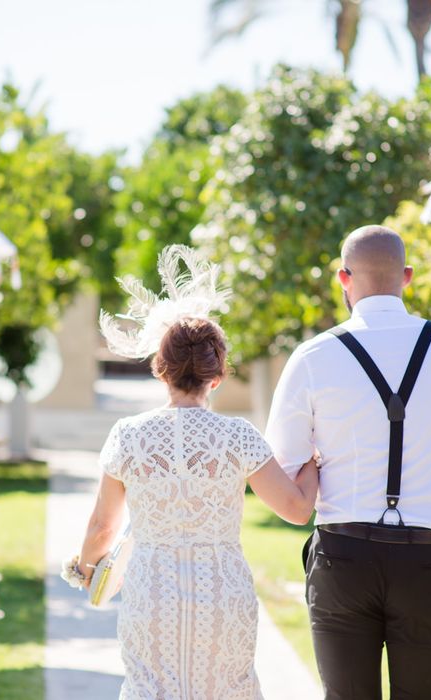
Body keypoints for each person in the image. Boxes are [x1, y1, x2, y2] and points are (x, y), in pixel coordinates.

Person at [265, 225, 431, 700]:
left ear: (343, 277)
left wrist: (319, 462)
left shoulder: (312, 356)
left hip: (342, 559)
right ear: (407, 277)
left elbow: (283, 469)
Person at [63, 245, 319, 699]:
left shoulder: (129, 435)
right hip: (222, 594)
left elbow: (103, 525)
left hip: (151, 592)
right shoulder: (238, 437)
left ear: (160, 370)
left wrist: (86, 570)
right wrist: (316, 458)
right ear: (216, 376)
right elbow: (298, 510)